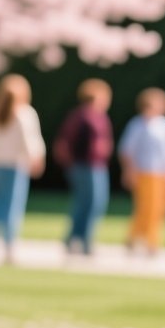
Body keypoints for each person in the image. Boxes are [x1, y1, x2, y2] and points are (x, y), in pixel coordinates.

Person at [0, 74, 46, 266]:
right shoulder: (24, 113)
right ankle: (9, 245)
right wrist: (35, 159)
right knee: (12, 206)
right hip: (15, 165)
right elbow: (30, 140)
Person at [53, 78, 113, 257]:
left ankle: (79, 238)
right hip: (82, 165)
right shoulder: (81, 116)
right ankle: (80, 240)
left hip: (98, 165)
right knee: (87, 203)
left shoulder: (100, 116)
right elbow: (65, 142)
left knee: (94, 203)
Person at [118, 87, 165, 256]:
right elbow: (127, 150)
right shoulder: (137, 124)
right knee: (146, 208)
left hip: (161, 172)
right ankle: (138, 239)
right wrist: (129, 171)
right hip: (143, 171)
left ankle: (151, 240)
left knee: (159, 208)